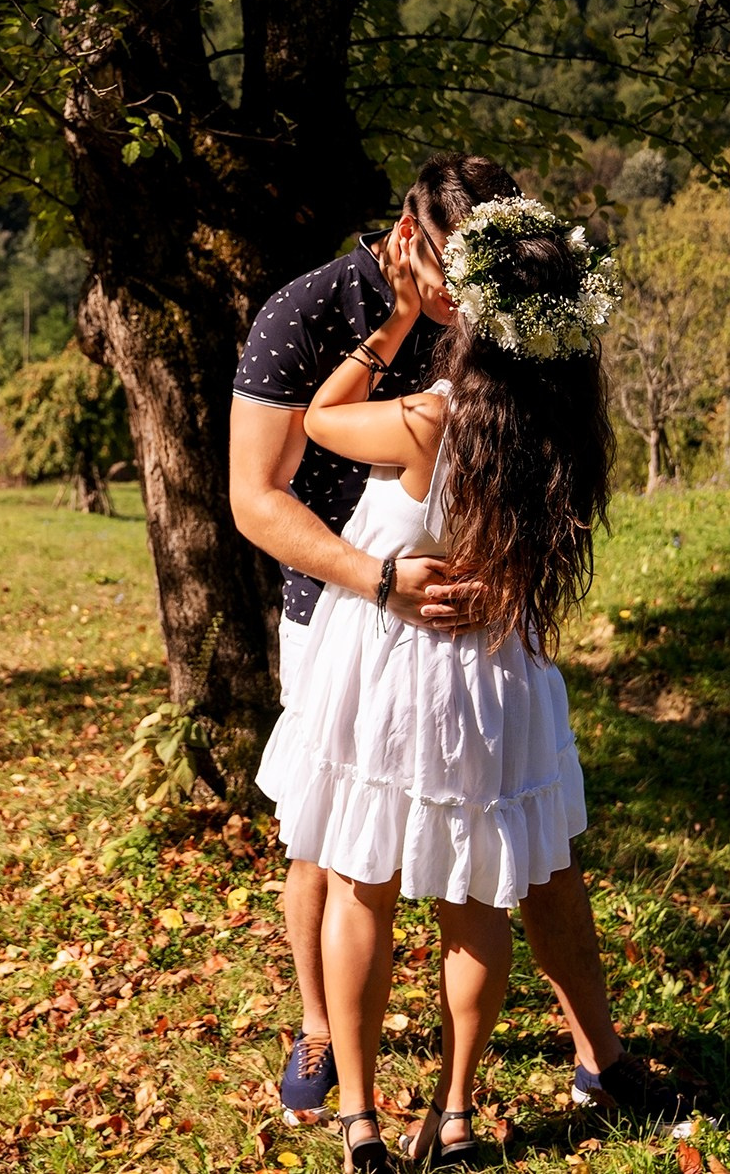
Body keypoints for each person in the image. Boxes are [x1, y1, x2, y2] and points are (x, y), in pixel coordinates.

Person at [227, 157, 689, 1132]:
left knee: (533, 858)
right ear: (406, 236)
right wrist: (381, 579)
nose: (456, 297)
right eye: (447, 270)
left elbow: (337, 423)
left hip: (480, 641)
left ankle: (592, 1052)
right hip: (341, 611)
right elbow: (253, 495)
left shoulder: (495, 356)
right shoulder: (301, 315)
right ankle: (325, 1033)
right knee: (332, 845)